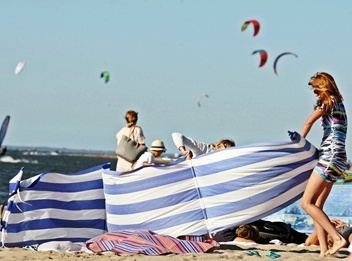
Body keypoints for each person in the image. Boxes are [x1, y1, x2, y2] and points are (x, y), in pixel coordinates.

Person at [299, 72, 348, 256]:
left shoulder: (328, 102)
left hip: (330, 157)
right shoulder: (340, 103)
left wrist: (297, 144)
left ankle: (336, 238)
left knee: (306, 203)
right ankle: (323, 249)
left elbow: (308, 123)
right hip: (340, 158)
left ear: (323, 87)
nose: (316, 94)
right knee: (316, 206)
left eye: (316, 90)